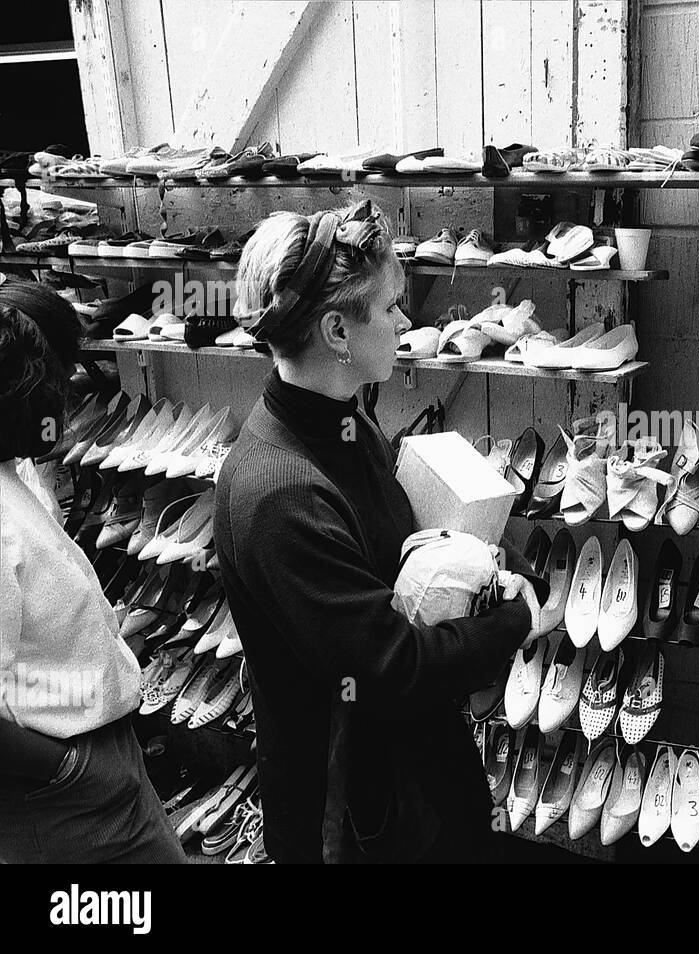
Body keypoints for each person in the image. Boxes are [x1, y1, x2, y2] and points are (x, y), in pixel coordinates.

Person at [214, 200, 541, 864]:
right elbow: (391, 667)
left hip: (412, 782)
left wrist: (475, 559)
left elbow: (392, 552)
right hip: (357, 822)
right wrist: (518, 617)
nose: (403, 322)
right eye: (391, 307)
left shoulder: (341, 416)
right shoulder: (280, 492)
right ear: (336, 330)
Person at [0, 278, 185, 863]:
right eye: (58, 372)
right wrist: (71, 771)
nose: (71, 390)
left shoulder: (17, 473)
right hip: (61, 789)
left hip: (97, 759)